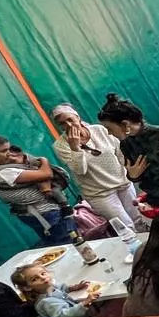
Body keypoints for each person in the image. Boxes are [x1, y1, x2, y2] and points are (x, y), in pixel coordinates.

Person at [51, 103, 145, 242]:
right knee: (126, 226)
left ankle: (154, 248)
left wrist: (129, 171)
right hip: (100, 193)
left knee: (138, 219)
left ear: (78, 117)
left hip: (122, 182)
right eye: (62, 124)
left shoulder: (99, 130)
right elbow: (80, 170)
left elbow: (119, 152)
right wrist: (75, 148)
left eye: (70, 119)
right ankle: (138, 252)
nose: (69, 125)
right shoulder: (60, 146)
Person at [0, 133, 77, 244]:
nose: (8, 154)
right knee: (70, 243)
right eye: (3, 151)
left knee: (60, 243)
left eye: (8, 149)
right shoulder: (2, 173)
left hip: (33, 213)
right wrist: (44, 160)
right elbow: (46, 174)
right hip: (45, 212)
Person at [11, 262, 93, 317]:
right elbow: (65, 316)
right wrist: (85, 303)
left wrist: (74, 287)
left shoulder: (48, 288)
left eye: (43, 273)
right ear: (27, 287)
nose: (43, 278)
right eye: (35, 279)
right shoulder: (47, 302)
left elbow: (61, 288)